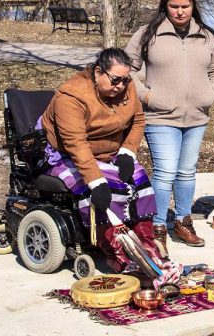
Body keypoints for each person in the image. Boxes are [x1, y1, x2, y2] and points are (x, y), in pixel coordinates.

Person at [126, 0, 214, 251]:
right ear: (165, 6)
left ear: (193, 5)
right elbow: (127, 69)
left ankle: (183, 221)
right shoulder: (148, 34)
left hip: (196, 116)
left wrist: (210, 93)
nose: (180, 12)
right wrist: (147, 96)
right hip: (160, 117)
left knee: (186, 172)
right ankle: (157, 226)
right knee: (166, 171)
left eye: (185, 6)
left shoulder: (206, 36)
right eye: (174, 6)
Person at [39, 48, 162, 272]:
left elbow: (138, 120)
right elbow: (76, 143)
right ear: (98, 72)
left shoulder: (126, 87)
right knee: (102, 192)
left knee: (141, 183)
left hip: (111, 152)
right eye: (116, 80)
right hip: (68, 154)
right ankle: (115, 252)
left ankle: (146, 247)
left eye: (125, 80)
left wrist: (128, 151)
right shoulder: (71, 97)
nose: (121, 86)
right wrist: (96, 181)